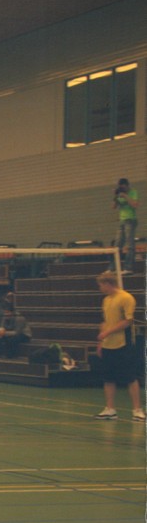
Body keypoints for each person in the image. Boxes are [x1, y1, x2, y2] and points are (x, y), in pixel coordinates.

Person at [93, 271, 144, 421]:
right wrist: (101, 342)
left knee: (130, 377)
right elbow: (105, 321)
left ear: (108, 284)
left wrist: (108, 332)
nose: (100, 288)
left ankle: (137, 410)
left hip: (124, 343)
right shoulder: (106, 300)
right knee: (108, 377)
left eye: (101, 285)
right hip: (108, 345)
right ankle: (110, 409)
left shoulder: (126, 298)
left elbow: (127, 321)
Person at [112, 178, 139, 273]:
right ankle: (113, 268)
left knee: (129, 244)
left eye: (124, 187)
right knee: (117, 244)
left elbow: (135, 205)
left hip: (130, 220)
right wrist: (116, 196)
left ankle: (128, 267)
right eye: (121, 188)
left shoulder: (133, 192)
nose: (123, 189)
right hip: (122, 220)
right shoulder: (119, 193)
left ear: (127, 186)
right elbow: (113, 207)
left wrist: (125, 196)